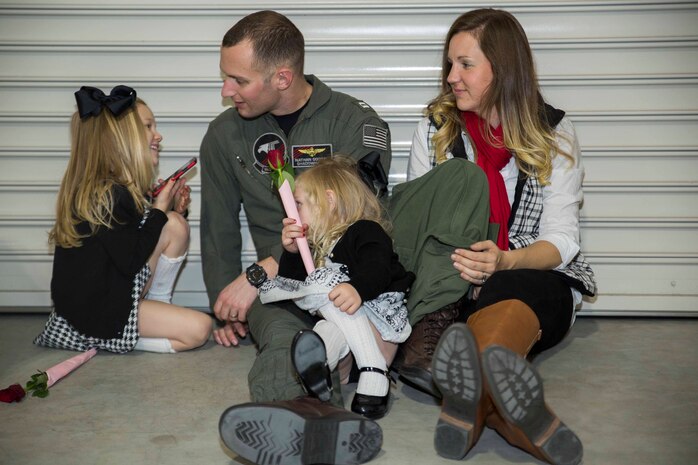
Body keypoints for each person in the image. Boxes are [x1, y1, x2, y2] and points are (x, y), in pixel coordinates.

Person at [398, 9, 596, 465]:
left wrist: (504, 260)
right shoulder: (435, 128)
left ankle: (471, 396)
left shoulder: (554, 133)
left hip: (527, 276)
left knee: (520, 283)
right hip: (450, 284)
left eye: (466, 65)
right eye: (450, 64)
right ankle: (502, 410)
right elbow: (418, 225)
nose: (452, 77)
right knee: (459, 214)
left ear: (503, 69)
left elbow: (562, 240)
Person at [199, 10, 391, 402]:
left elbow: (353, 218)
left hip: (353, 282)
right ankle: (299, 419)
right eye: (225, 76)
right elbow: (218, 227)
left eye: (239, 80)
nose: (226, 90)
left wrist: (263, 267)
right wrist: (226, 303)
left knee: (332, 335)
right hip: (281, 289)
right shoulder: (225, 135)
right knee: (289, 343)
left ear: (282, 78)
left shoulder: (354, 124)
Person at [34, 85, 212, 354]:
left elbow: (134, 241)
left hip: (111, 292)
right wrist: (159, 210)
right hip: (98, 313)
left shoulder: (115, 187)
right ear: (122, 138)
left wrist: (169, 209)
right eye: (148, 127)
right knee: (199, 329)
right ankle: (111, 338)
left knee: (175, 224)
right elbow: (131, 260)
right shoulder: (109, 194)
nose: (158, 135)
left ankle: (159, 307)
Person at [265, 157, 414, 421]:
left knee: (326, 288)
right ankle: (320, 368)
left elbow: (378, 268)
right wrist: (293, 252)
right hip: (349, 346)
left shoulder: (365, 231)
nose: (292, 214)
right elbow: (296, 287)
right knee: (325, 320)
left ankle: (374, 369)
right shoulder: (320, 245)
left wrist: (356, 288)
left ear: (330, 200)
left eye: (299, 204)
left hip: (379, 325)